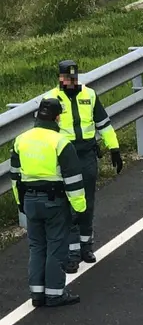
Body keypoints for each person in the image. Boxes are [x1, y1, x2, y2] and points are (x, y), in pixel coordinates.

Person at [44, 60, 123, 269]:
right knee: (69, 204)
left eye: (73, 78)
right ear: (60, 77)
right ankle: (72, 253)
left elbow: (104, 124)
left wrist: (114, 148)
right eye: (66, 78)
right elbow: (44, 132)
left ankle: (86, 246)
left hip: (87, 155)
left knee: (86, 202)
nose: (70, 82)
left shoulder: (90, 95)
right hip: (64, 158)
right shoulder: (51, 99)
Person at [10, 97, 87, 308]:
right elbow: (73, 180)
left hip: (29, 201)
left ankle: (37, 294)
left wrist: (20, 202)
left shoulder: (21, 140)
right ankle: (55, 294)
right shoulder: (60, 142)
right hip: (54, 202)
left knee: (36, 247)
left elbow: (15, 176)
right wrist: (79, 209)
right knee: (56, 247)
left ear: (37, 115)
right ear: (57, 117)